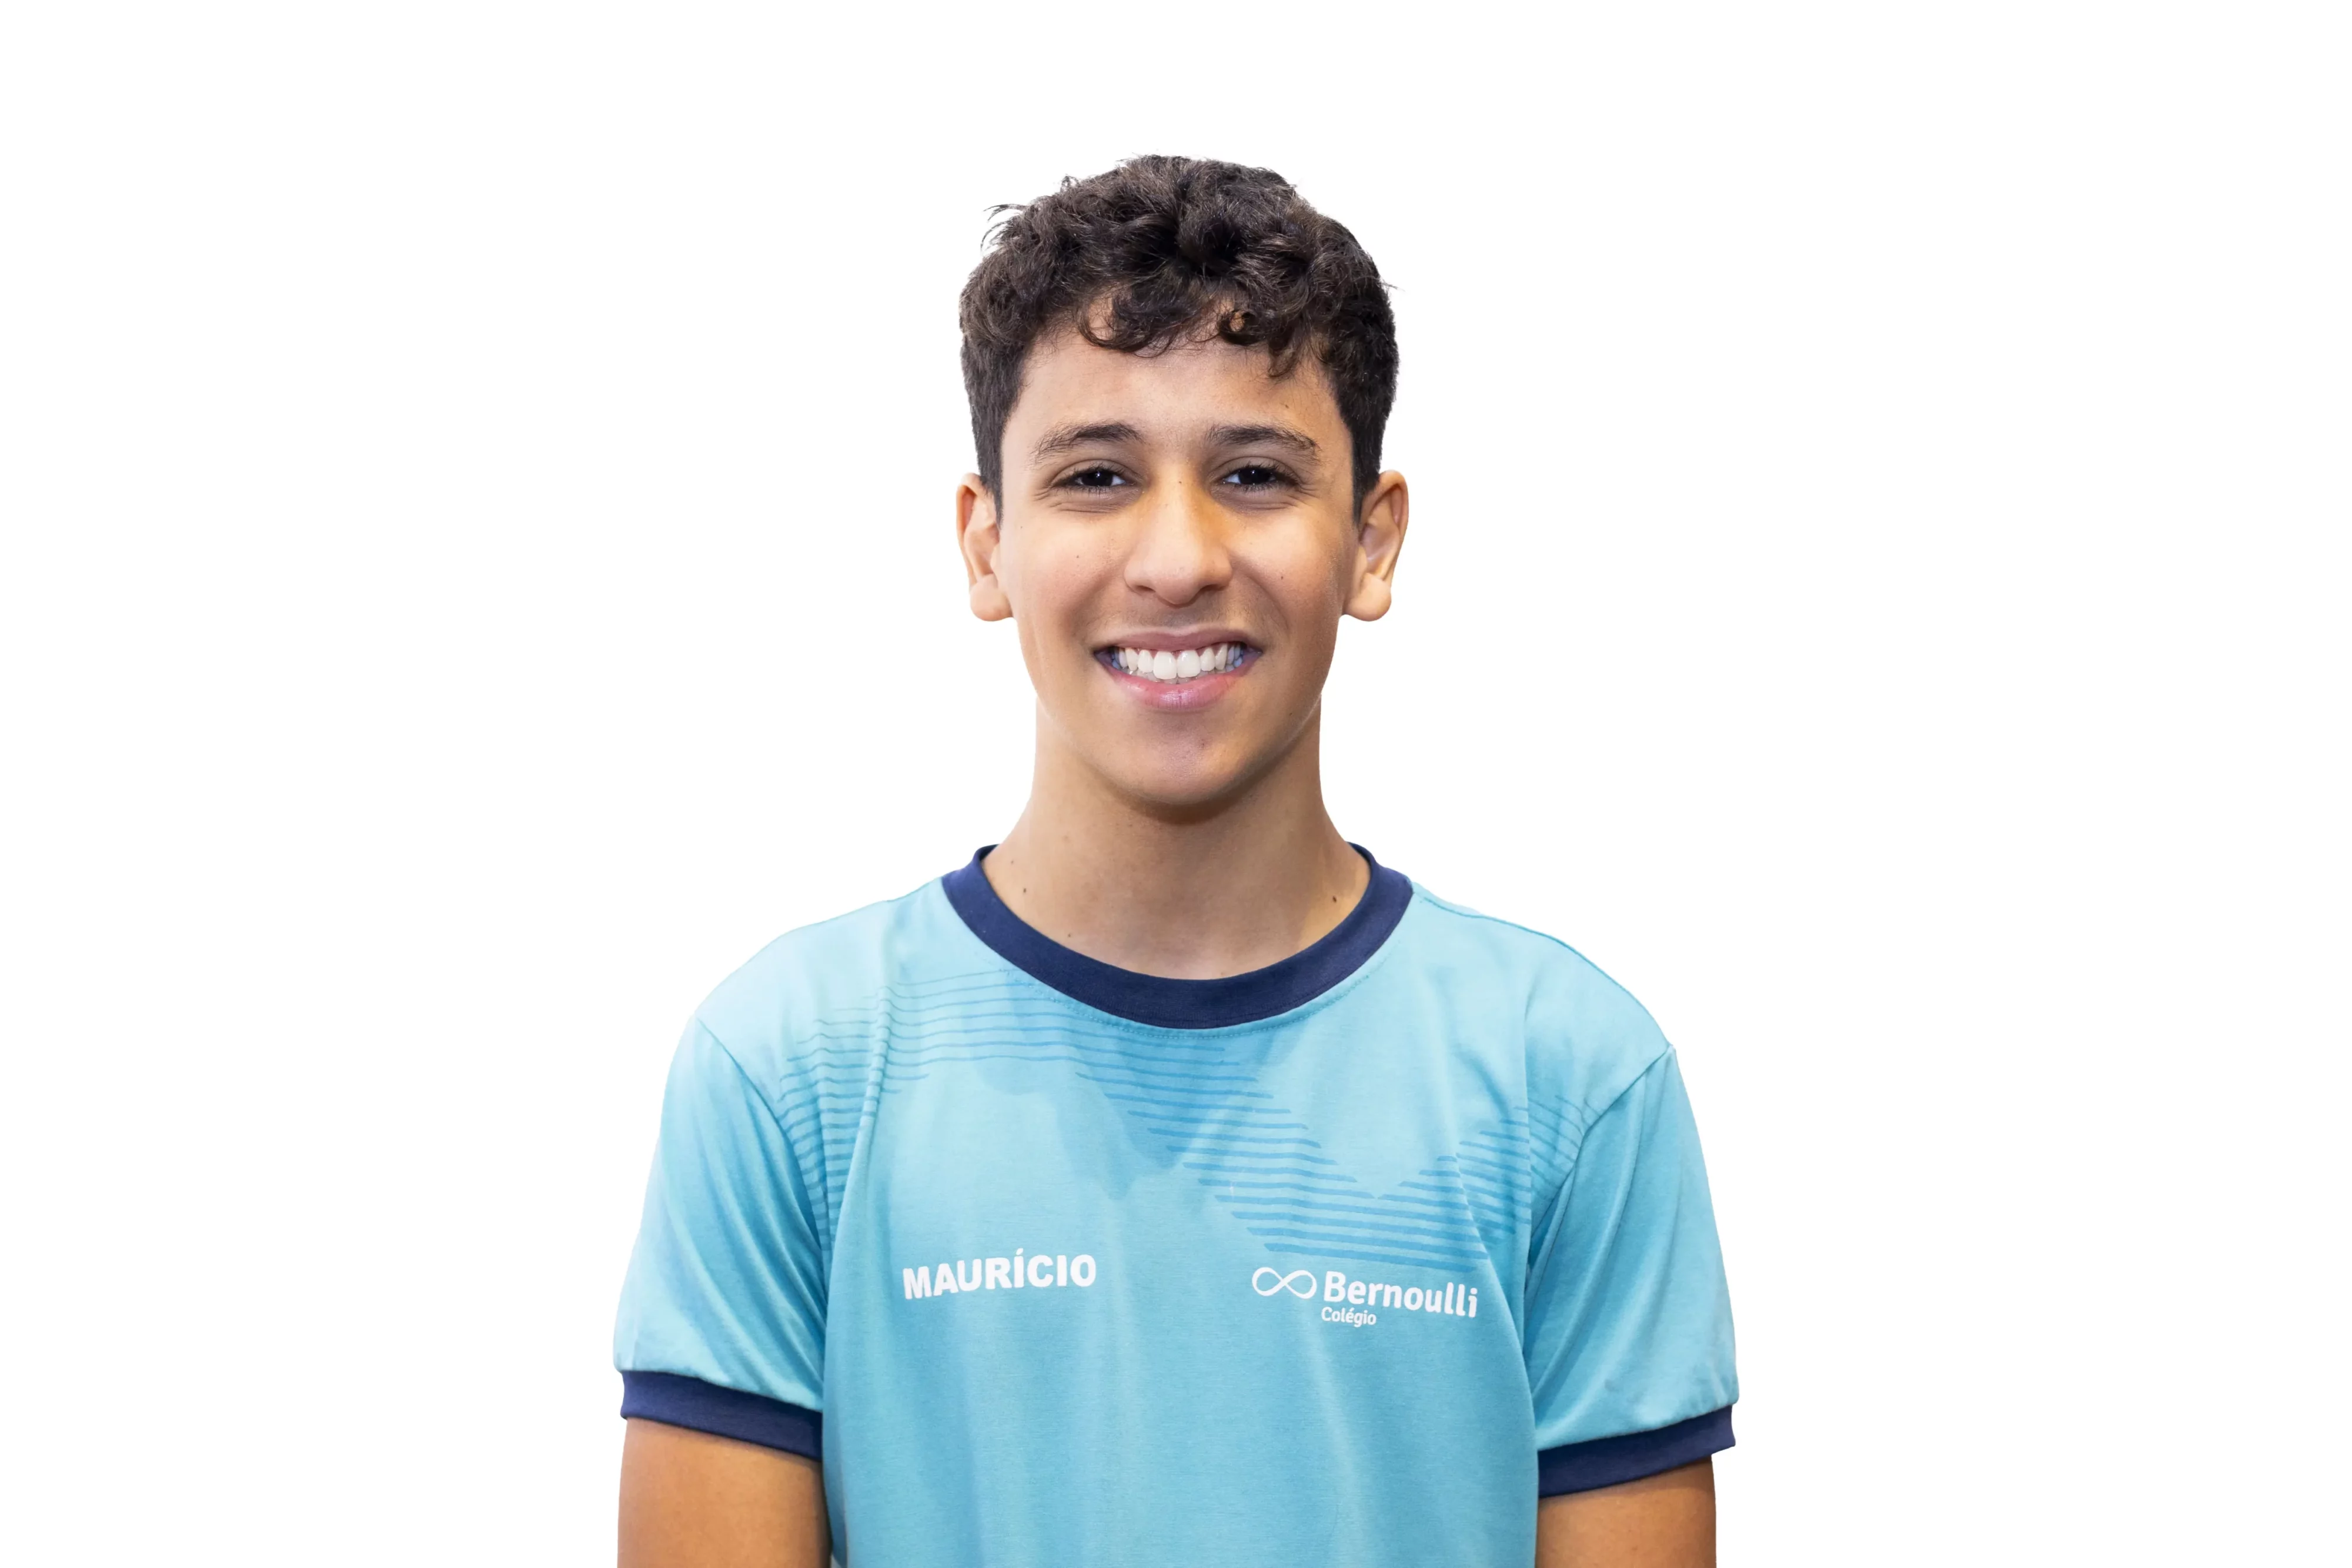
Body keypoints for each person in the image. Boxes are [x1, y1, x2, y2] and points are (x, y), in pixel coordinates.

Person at [612, 155, 1737, 1568]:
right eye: (1094, 476)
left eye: (1252, 475)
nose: (1175, 558)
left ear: (1370, 540)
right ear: (986, 543)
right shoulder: (794, 1072)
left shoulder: (1567, 1079)